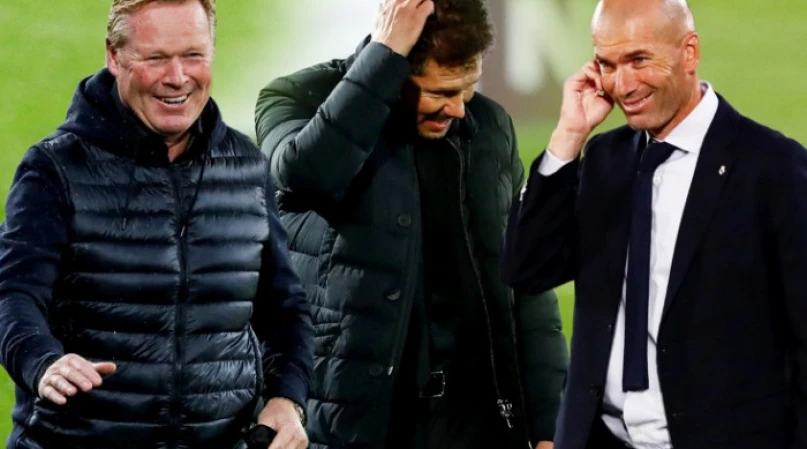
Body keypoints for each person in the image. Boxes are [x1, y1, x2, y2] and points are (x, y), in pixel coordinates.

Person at [254, 0, 568, 448]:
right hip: (356, 423)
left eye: (467, 89)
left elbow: (526, 286)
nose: (458, 110)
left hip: (475, 425)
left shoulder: (490, 125)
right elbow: (306, 174)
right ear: (394, 66)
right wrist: (382, 59)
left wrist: (549, 427)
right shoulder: (297, 97)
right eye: (440, 93)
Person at [0, 1, 313, 448]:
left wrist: (287, 399)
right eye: (156, 57)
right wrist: (43, 362)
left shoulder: (247, 168)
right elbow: (13, 294)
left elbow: (285, 309)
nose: (178, 77)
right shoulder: (55, 169)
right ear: (114, 56)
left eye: (193, 55)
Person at [500, 0, 807, 448]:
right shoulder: (604, 158)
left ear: (689, 52)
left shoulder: (773, 167)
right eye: (607, 64)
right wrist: (568, 138)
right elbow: (527, 269)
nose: (622, 85)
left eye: (639, 60)